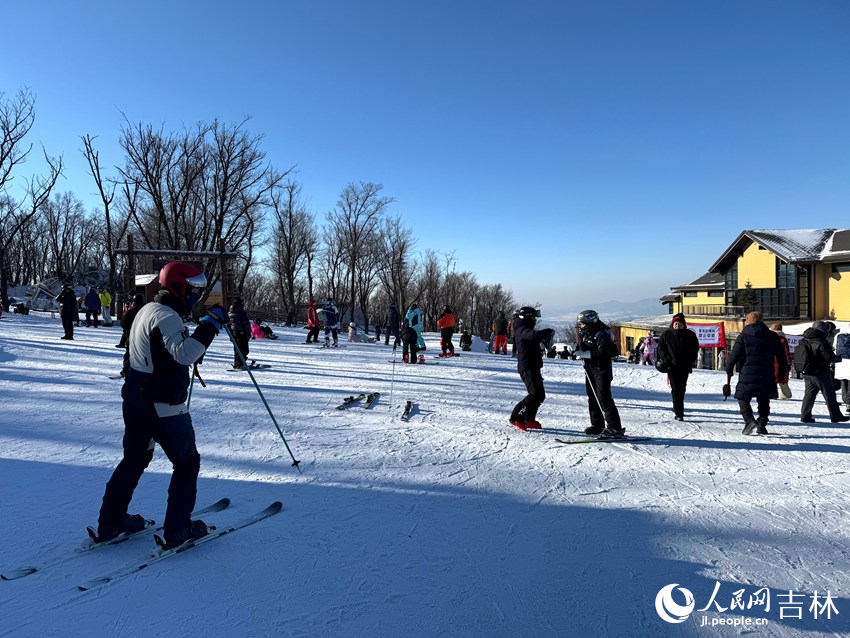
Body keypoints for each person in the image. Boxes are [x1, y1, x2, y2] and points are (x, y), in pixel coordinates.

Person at [96, 261, 226, 549]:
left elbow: (152, 354)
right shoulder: (167, 316)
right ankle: (178, 529)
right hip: (161, 405)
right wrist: (210, 326)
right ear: (179, 287)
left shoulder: (147, 310)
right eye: (194, 289)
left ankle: (111, 521)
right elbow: (185, 354)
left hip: (135, 400)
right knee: (187, 462)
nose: (197, 295)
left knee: (135, 458)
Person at [725, 311, 787, 435]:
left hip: (747, 373)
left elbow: (734, 355)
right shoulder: (772, 336)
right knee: (764, 400)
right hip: (767, 373)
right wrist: (781, 372)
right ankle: (762, 424)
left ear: (748, 321)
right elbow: (781, 357)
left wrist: (728, 368)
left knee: (742, 397)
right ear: (762, 321)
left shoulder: (743, 336)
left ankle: (749, 420)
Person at [575, 309, 624, 438]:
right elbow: (581, 347)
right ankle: (597, 424)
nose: (581, 325)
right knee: (592, 396)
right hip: (590, 368)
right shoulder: (585, 332)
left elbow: (604, 354)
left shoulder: (601, 333)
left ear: (591, 322)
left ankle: (615, 428)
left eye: (583, 323)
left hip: (602, 369)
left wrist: (586, 354)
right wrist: (578, 352)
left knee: (604, 398)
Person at [508, 306, 554, 431]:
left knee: (540, 395)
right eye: (533, 317)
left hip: (533, 365)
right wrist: (547, 331)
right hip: (527, 367)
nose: (535, 320)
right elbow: (533, 336)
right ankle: (516, 417)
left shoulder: (523, 328)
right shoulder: (522, 329)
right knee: (534, 394)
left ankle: (528, 418)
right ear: (528, 317)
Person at [798, 320, 850, 423]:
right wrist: (839, 358)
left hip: (807, 372)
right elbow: (829, 357)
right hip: (820, 372)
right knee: (829, 394)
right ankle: (836, 416)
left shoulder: (805, 339)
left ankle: (805, 415)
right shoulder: (820, 341)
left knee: (809, 394)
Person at [656, 313, 701, 421]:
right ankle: (679, 413)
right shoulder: (667, 334)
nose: (677, 325)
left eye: (679, 324)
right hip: (672, 366)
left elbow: (695, 348)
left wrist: (690, 359)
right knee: (676, 389)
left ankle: (676, 406)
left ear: (683, 325)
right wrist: (666, 359)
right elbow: (660, 348)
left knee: (682, 388)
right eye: (676, 323)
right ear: (672, 324)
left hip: (684, 366)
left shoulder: (689, 335)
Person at [769, 322, 793, 399]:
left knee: (771, 378)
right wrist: (788, 362)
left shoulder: (769, 338)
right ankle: (783, 393)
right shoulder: (783, 339)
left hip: (771, 361)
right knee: (782, 377)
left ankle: (773, 393)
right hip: (782, 361)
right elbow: (786, 352)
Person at [228, 298, 251, 369]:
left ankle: (237, 363)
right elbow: (245, 323)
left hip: (234, 333)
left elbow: (228, 324)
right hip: (241, 332)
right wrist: (248, 332)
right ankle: (241, 363)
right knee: (243, 349)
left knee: (237, 349)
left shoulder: (230, 312)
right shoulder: (241, 312)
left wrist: (230, 335)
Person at [834, 330, 850, 415]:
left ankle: (846, 402)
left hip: (841, 363)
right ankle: (849, 404)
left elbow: (834, 349)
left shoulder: (839, 335)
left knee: (843, 383)